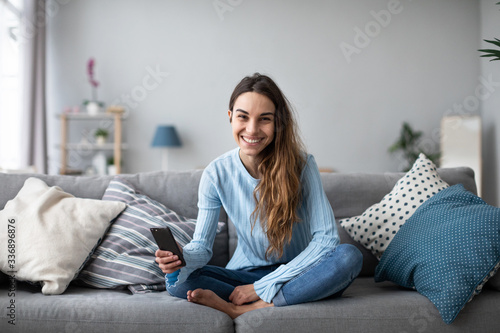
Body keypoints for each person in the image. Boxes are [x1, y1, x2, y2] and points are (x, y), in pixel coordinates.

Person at [155, 73, 363, 318]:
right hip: (245, 276)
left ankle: (250, 307)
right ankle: (277, 298)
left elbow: (326, 241)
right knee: (177, 282)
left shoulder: (303, 165)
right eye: (243, 117)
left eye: (264, 119)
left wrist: (260, 289)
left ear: (278, 123)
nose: (252, 129)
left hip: (299, 273)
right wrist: (182, 258)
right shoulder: (215, 173)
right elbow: (202, 247)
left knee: (349, 257)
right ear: (230, 117)